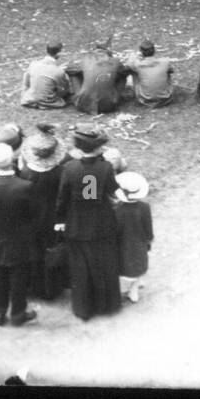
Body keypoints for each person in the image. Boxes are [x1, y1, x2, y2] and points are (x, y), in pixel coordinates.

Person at [54, 125, 123, 321]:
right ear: (97, 148)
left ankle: (84, 308)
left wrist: (59, 220)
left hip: (77, 224)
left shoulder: (69, 169)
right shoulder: (106, 168)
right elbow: (112, 191)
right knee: (106, 264)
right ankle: (108, 305)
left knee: (80, 268)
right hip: (102, 222)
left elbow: (62, 199)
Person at [0, 143, 38, 327]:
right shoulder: (25, 186)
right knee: (19, 277)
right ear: (12, 161)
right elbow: (32, 213)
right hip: (19, 238)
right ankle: (18, 313)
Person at [18, 126, 68, 301]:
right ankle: (52, 288)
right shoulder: (61, 173)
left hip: (31, 219)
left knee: (34, 252)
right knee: (52, 250)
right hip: (53, 218)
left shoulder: (25, 173)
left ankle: (34, 286)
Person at [114, 171, 153, 304]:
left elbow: (116, 231)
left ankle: (130, 288)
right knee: (139, 265)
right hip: (139, 244)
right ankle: (134, 289)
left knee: (125, 267)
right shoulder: (144, 207)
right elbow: (148, 227)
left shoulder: (116, 210)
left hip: (123, 245)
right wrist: (149, 239)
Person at [65, 39, 130, 115]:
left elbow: (69, 69)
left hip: (83, 105)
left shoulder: (86, 59)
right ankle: (114, 97)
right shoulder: (115, 61)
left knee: (74, 74)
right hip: (109, 105)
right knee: (122, 76)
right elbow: (125, 72)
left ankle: (79, 96)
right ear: (108, 51)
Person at [126, 39, 180, 107]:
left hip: (145, 100)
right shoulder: (165, 62)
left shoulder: (138, 65)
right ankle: (162, 91)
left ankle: (145, 93)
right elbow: (172, 71)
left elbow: (128, 66)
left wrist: (134, 56)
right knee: (167, 72)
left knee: (134, 72)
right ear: (154, 51)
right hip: (166, 99)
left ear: (141, 52)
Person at [21, 41, 71, 109]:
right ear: (59, 53)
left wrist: (24, 95)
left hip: (29, 100)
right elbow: (63, 91)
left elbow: (26, 83)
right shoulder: (59, 71)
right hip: (48, 102)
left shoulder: (33, 64)